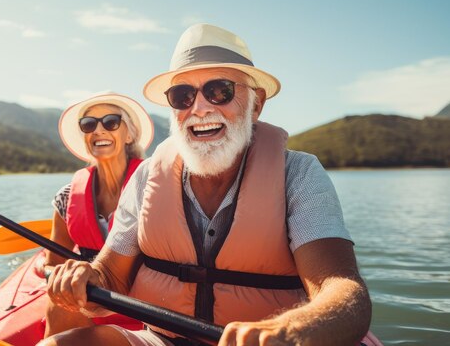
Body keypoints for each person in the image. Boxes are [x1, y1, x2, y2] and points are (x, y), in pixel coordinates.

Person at [41, 24, 383, 346]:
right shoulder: (146, 176)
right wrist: (87, 276)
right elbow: (111, 276)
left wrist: (290, 330)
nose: (200, 108)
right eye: (182, 95)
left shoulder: (298, 174)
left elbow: (341, 289)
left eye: (220, 91)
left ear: (256, 104)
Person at [42, 92, 154, 337]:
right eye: (89, 124)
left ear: (130, 134)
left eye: (111, 122)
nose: (99, 130)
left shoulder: (157, 187)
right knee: (58, 305)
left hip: (147, 305)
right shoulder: (66, 196)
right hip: (91, 299)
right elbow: (52, 264)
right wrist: (68, 278)